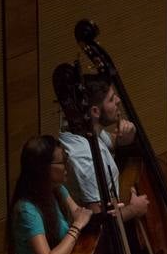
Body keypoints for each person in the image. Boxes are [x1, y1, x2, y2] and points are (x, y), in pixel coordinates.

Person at [56, 67, 148, 221]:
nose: (118, 100)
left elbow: (109, 142)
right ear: (95, 111)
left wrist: (126, 139)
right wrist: (134, 210)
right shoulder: (85, 158)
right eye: (111, 99)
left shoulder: (86, 130)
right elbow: (98, 218)